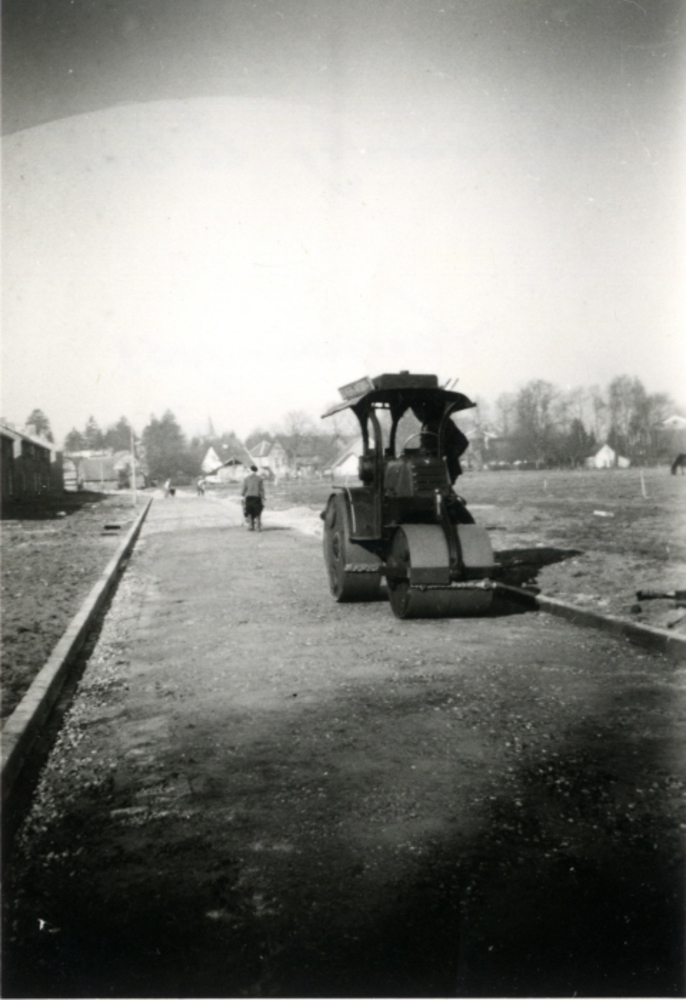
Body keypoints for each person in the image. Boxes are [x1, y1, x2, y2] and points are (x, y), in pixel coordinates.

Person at [411, 400, 469, 484]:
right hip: (431, 465)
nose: (417, 414)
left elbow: (463, 442)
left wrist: (448, 455)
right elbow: (427, 445)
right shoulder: (429, 424)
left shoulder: (443, 423)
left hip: (442, 467)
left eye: (419, 410)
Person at [242, 465, 265, 531]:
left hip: (249, 497)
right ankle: (258, 527)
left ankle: (251, 526)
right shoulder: (259, 479)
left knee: (249, 511)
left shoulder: (246, 479)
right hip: (257, 497)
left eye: (249, 470)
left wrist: (242, 495)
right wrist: (263, 497)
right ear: (256, 471)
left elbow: (244, 488)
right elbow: (261, 489)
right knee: (258, 511)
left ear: (251, 470)